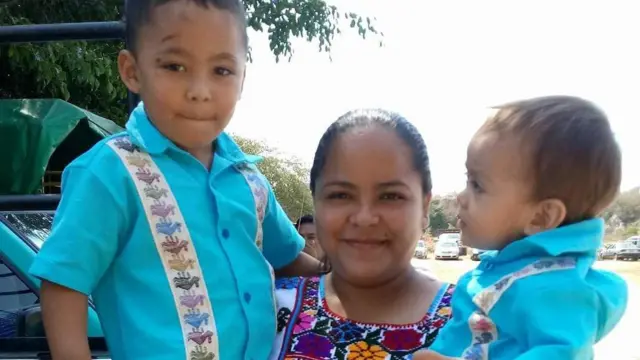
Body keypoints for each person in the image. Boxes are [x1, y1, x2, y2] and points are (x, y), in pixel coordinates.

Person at [28, 1, 319, 359]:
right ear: (132, 71)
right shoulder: (109, 173)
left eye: (222, 70)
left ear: (243, 79)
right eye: (174, 66)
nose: (199, 90)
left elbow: (289, 258)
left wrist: (357, 272)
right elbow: (64, 283)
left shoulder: (249, 179)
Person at [421, 96, 628, 360]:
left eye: (478, 185)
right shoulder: (514, 270)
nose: (461, 197)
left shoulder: (555, 289)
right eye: (467, 179)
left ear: (541, 217)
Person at [269, 109, 455, 360]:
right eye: (340, 195)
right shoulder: (269, 309)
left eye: (390, 196)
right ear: (316, 203)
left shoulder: (488, 321)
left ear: (425, 207)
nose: (365, 218)